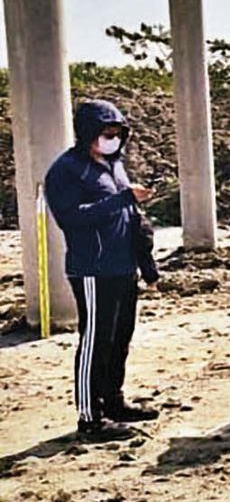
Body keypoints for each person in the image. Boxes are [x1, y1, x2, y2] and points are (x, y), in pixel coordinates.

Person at [44, 100, 159, 441]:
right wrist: (123, 199)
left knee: (120, 337)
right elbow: (71, 217)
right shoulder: (67, 170)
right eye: (107, 134)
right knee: (95, 341)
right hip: (93, 270)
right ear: (88, 133)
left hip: (124, 268)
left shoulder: (113, 165)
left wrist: (147, 266)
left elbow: (132, 218)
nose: (114, 140)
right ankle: (90, 417)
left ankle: (114, 401)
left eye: (119, 134)